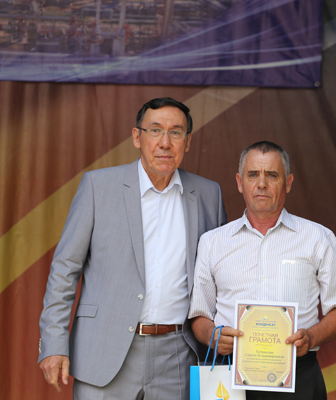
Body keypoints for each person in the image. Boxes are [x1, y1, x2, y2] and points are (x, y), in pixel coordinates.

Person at [38, 97, 227, 399]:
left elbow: (220, 277)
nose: (165, 142)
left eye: (176, 132)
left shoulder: (208, 194)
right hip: (105, 352)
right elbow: (65, 269)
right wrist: (53, 343)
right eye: (155, 130)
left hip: (178, 356)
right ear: (137, 137)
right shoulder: (98, 186)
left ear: (188, 142)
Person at [189, 141, 336, 399]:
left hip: (298, 374)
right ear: (239, 182)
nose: (262, 184)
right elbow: (199, 316)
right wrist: (212, 335)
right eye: (252, 174)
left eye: (272, 175)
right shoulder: (212, 242)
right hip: (229, 376)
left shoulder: (318, 238)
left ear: (288, 182)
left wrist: (311, 337)